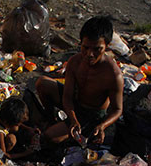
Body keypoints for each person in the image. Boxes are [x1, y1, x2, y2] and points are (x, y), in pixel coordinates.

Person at [36, 16, 124, 146]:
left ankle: (75, 131)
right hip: (75, 104)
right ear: (80, 43)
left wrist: (102, 126)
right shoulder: (74, 62)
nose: (90, 54)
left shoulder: (113, 74)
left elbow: (117, 109)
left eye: (97, 49)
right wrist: (72, 119)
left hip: (91, 114)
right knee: (42, 83)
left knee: (50, 138)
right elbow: (67, 96)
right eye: (86, 47)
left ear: (107, 46)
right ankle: (50, 119)